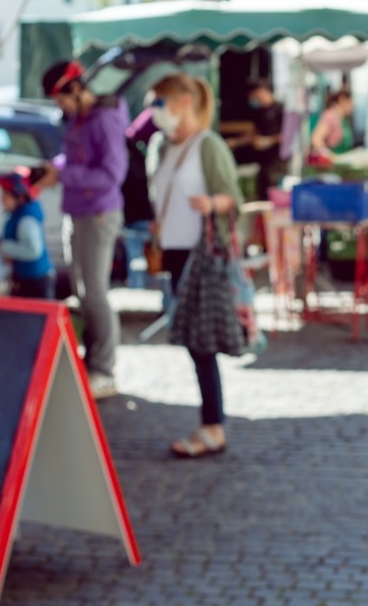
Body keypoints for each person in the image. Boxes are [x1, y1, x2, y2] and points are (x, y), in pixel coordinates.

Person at [148, 73, 245, 458]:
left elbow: (233, 198)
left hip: (201, 255)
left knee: (200, 343)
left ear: (184, 101)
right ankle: (211, 424)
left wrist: (211, 204)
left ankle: (212, 427)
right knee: (193, 341)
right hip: (172, 252)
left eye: (160, 102)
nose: (154, 112)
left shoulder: (208, 145)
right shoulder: (159, 146)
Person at [38, 60, 129, 398]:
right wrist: (55, 169)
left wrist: (64, 175)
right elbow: (74, 161)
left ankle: (104, 370)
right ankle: (93, 363)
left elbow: (111, 176)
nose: (59, 107)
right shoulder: (80, 118)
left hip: (98, 214)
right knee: (83, 293)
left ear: (75, 89)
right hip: (77, 211)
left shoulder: (104, 119)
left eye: (59, 99)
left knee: (94, 293)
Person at [0, 172, 55, 300]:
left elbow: (33, 250)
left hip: (36, 281)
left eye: (6, 195)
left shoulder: (26, 220)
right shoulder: (19, 214)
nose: (2, 200)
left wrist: (6, 248)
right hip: (30, 278)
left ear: (20, 197)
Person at [121, 108, 158, 290]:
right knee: (142, 256)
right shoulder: (141, 157)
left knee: (138, 257)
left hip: (135, 215)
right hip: (142, 214)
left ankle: (139, 290)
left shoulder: (132, 156)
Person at [242, 79, 287, 200]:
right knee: (262, 195)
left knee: (275, 195)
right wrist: (235, 142)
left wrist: (268, 141)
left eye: (255, 95)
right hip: (263, 162)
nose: (253, 98)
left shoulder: (281, 108)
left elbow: (287, 135)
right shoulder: (259, 112)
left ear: (261, 92)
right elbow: (254, 133)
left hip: (278, 162)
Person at [309, 89, 354, 164]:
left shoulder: (343, 119)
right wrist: (329, 155)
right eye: (351, 103)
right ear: (342, 100)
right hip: (332, 166)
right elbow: (316, 140)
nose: (352, 107)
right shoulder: (330, 116)